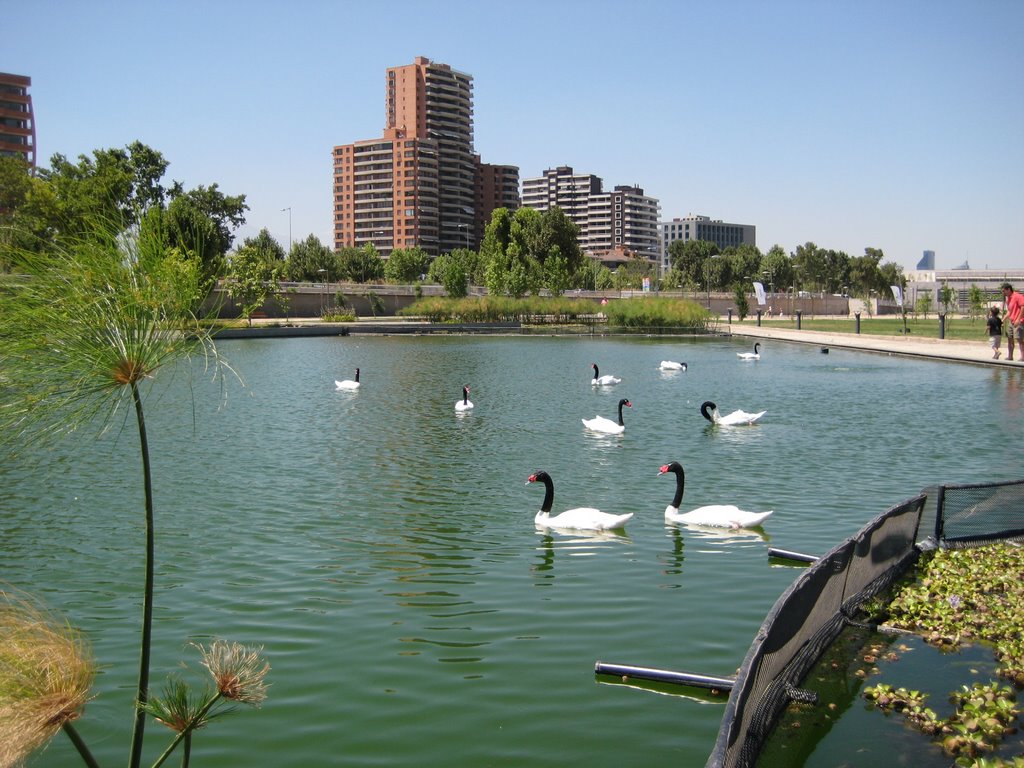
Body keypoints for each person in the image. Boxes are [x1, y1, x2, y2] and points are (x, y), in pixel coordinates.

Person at [1002, 282, 1024, 361]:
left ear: (1008, 289)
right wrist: (1003, 320)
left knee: (1019, 339)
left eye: (1004, 291)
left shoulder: (1018, 296)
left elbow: (1022, 307)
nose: (1003, 293)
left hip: (1018, 321)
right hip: (1011, 321)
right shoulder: (1008, 299)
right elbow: (1009, 311)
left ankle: (1022, 357)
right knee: (1010, 338)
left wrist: (1018, 319)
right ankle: (1010, 356)